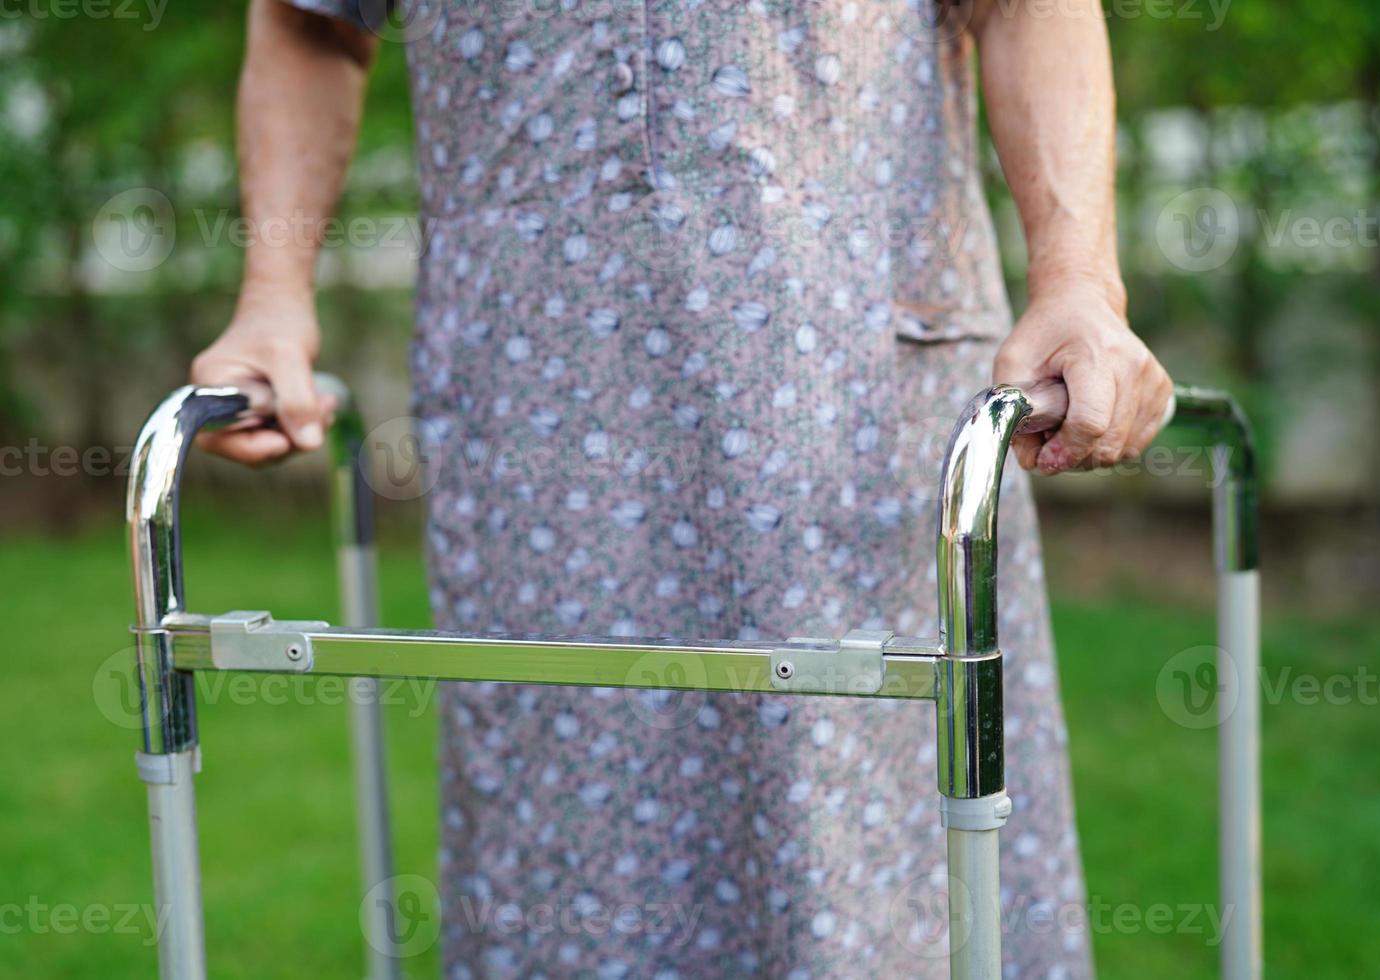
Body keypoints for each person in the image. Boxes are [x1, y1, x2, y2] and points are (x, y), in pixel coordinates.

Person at [193, 0, 1173, 974]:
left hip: (853, 400)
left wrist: (1080, 278)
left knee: (872, 866)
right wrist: (273, 297)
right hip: (542, 428)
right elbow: (309, 20)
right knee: (573, 861)